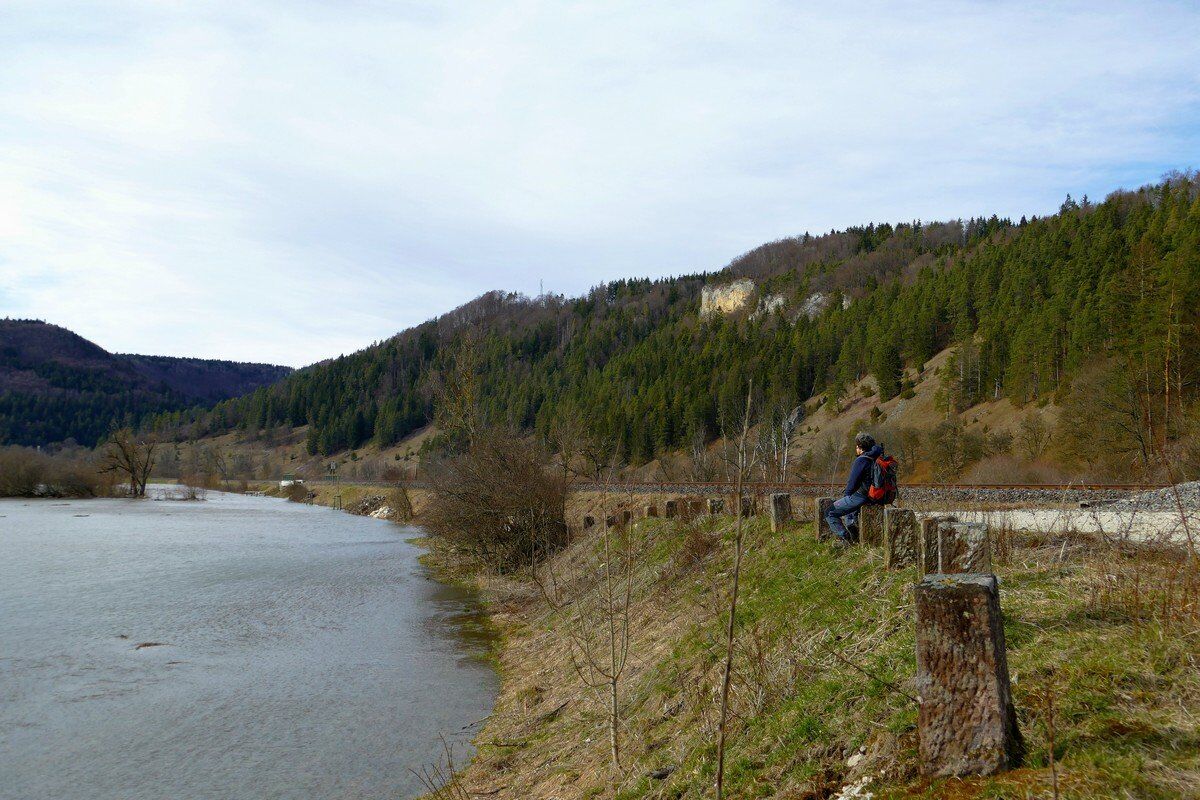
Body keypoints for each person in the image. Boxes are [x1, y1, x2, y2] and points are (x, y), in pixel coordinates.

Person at [826, 432, 883, 545]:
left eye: (857, 445)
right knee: (850, 511)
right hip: (875, 496)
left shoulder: (861, 460)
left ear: (860, 447)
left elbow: (852, 483)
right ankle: (854, 534)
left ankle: (845, 538)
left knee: (829, 512)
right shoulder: (877, 457)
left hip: (862, 496)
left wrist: (846, 496)